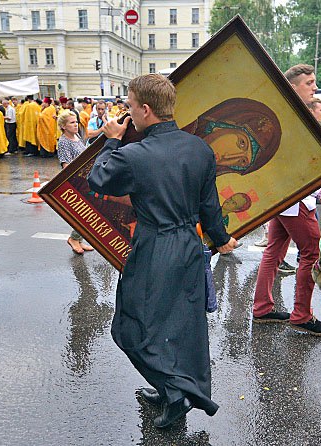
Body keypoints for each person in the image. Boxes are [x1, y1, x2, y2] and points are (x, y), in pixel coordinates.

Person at [87, 74, 238, 429]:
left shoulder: (133, 154)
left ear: (145, 109)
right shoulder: (199, 147)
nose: (128, 113)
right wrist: (220, 238)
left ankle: (173, 393)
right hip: (188, 245)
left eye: (129, 106)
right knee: (180, 325)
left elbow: (98, 179)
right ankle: (167, 385)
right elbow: (210, 207)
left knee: (130, 326)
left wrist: (111, 141)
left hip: (154, 246)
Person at [251, 64, 321, 335]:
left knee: (274, 251)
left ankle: (262, 308)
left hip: (285, 199)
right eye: (309, 83)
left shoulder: (290, 114)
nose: (315, 87)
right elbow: (290, 167)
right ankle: (301, 314)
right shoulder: (291, 118)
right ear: (292, 86)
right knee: (311, 253)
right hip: (296, 199)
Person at [56, 110, 95, 255]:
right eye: (72, 122)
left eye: (76, 122)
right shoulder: (64, 141)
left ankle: (78, 239)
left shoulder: (76, 137)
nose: (76, 125)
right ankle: (74, 239)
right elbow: (66, 165)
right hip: (76, 182)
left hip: (86, 179)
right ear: (64, 126)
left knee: (87, 212)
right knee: (84, 213)